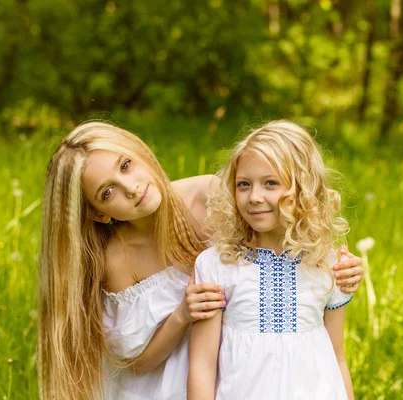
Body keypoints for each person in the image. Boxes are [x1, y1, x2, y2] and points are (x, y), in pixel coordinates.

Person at [38, 121, 363, 399]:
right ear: (98, 213)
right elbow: (136, 365)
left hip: (244, 375)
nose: (132, 187)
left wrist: (341, 268)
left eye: (126, 166)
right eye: (108, 193)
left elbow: (288, 229)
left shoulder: (209, 198)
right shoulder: (117, 258)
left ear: (139, 152)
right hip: (160, 386)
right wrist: (182, 315)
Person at [188, 120, 355, 400]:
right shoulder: (217, 265)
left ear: (303, 189)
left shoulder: (329, 265)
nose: (254, 197)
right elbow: (202, 365)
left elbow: (337, 356)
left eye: (270, 183)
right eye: (244, 184)